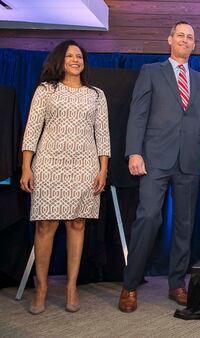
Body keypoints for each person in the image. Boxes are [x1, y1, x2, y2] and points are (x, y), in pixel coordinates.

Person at [118, 21, 200, 313]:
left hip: (189, 161)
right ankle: (129, 285)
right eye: (181, 36)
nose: (185, 40)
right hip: (155, 159)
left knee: (184, 225)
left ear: (194, 45)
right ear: (170, 40)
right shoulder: (151, 72)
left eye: (190, 38)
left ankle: (177, 284)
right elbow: (138, 114)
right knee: (148, 218)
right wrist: (134, 152)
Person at [20, 40, 111, 314]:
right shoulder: (46, 90)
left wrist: (103, 169)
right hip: (48, 165)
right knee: (45, 226)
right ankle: (42, 288)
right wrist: (26, 166)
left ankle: (72, 287)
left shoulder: (96, 95)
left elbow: (103, 135)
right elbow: (32, 129)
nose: (75, 60)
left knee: (78, 224)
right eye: (70, 55)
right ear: (60, 60)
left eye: (79, 56)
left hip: (84, 166)